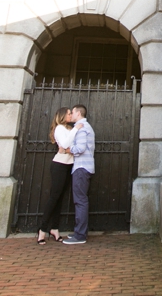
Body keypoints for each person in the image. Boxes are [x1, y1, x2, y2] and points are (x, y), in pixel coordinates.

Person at [36, 107, 81, 245]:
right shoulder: (60, 129)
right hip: (59, 165)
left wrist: (68, 146)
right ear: (62, 115)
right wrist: (76, 129)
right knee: (54, 197)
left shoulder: (67, 129)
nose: (70, 115)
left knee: (60, 198)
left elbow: (70, 146)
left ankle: (54, 228)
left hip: (69, 165)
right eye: (68, 113)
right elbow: (66, 144)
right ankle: (42, 229)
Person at [61, 104, 94, 244]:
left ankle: (80, 235)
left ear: (79, 113)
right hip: (84, 167)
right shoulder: (85, 127)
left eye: (73, 112)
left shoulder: (81, 128)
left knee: (80, 201)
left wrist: (67, 150)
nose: (71, 115)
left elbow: (80, 148)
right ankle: (80, 231)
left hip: (81, 167)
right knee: (81, 200)